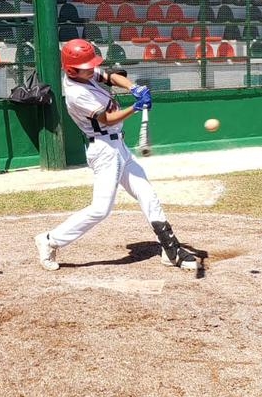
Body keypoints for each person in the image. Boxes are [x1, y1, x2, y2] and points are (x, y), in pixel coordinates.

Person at [35, 39, 202, 274]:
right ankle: (50, 240)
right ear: (72, 70)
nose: (91, 68)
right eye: (86, 66)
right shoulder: (76, 93)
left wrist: (134, 88)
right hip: (103, 151)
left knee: (147, 193)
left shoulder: (85, 73)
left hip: (119, 146)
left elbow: (111, 76)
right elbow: (107, 119)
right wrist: (136, 107)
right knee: (101, 209)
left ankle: (170, 248)